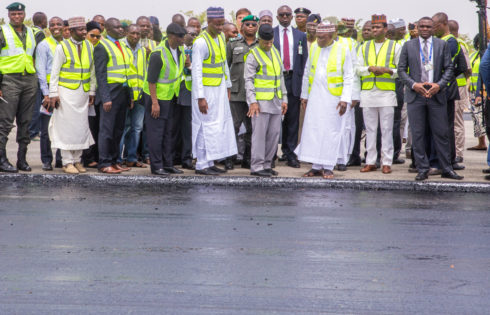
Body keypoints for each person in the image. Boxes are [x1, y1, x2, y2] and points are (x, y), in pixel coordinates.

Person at [398, 16, 463, 181]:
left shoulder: (441, 45)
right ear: (418, 28)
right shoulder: (408, 45)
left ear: (433, 28)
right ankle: (422, 169)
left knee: (441, 134)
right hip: (416, 95)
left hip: (436, 95)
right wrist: (414, 85)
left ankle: (447, 168)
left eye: (428, 26)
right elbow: (401, 70)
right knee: (418, 135)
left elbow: (449, 68)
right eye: (422, 26)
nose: (425, 29)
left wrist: (439, 85)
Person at [296, 22, 353, 179]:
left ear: (332, 36)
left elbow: (349, 76)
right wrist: (304, 96)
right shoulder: (314, 46)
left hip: (333, 97)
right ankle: (315, 166)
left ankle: (328, 166)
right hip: (315, 96)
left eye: (322, 38)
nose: (318, 40)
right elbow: (307, 72)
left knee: (330, 131)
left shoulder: (343, 49)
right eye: (317, 37)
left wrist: (345, 99)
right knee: (313, 130)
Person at [191, 7, 237, 175]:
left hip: (218, 89)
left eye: (221, 24)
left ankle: (210, 161)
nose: (220, 28)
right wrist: (200, 97)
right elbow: (196, 72)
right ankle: (201, 164)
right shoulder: (200, 42)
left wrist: (228, 86)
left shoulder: (219, 40)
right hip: (206, 91)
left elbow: (223, 64)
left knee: (216, 126)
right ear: (208, 22)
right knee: (205, 126)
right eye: (217, 24)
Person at [48, 16, 96, 174]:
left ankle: (78, 160)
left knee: (81, 128)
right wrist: (53, 93)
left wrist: (92, 91)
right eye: (81, 30)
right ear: (72, 31)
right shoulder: (62, 47)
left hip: (82, 93)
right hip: (66, 93)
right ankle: (67, 162)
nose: (84, 32)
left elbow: (92, 71)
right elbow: (54, 72)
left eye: (85, 29)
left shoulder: (89, 46)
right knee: (66, 129)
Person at [356, 14, 400, 175]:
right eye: (373, 27)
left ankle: (386, 162)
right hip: (368, 92)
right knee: (370, 130)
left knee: (387, 129)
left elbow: (400, 71)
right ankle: (370, 161)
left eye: (378, 27)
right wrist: (369, 69)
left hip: (386, 93)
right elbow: (357, 68)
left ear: (385, 29)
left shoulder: (395, 46)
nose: (374, 30)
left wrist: (387, 71)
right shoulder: (363, 47)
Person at [143, 23, 187, 176]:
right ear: (171, 36)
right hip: (156, 98)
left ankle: (168, 164)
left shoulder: (180, 51)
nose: (183, 39)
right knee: (156, 133)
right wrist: (154, 103)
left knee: (169, 132)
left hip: (171, 97)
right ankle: (156, 166)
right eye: (181, 36)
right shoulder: (158, 54)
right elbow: (151, 81)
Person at [245, 23, 287, 177]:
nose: (268, 45)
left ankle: (267, 164)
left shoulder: (275, 52)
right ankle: (257, 167)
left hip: (276, 100)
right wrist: (252, 102)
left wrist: (285, 99)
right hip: (260, 102)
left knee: (273, 135)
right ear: (259, 39)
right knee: (259, 135)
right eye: (265, 42)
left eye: (270, 42)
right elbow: (248, 80)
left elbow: (280, 77)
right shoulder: (253, 55)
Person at [0, 2, 38, 173]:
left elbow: (33, 56)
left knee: (25, 122)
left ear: (24, 15)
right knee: (5, 122)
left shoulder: (31, 32)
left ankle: (22, 159)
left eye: (19, 14)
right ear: (9, 16)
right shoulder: (3, 32)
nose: (16, 17)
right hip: (9, 80)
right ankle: (1, 159)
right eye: (13, 14)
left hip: (29, 79)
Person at [94, 17, 134, 174]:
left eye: (121, 27)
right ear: (108, 30)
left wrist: (130, 95)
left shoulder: (122, 45)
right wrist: (105, 98)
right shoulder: (101, 46)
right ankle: (104, 163)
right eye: (117, 27)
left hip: (123, 92)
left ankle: (115, 160)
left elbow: (127, 72)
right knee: (107, 130)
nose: (121, 30)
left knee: (118, 130)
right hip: (110, 92)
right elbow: (100, 74)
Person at [274, 5, 308, 168]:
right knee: (274, 119)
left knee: (292, 120)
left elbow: (304, 61)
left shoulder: (300, 35)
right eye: (282, 15)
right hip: (275, 82)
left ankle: (290, 153)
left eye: (288, 14)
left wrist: (304, 87)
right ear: (277, 17)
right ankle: (271, 153)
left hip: (293, 79)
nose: (285, 17)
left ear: (292, 17)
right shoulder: (270, 34)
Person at [432, 12, 466, 172]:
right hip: (442, 89)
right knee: (444, 127)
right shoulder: (440, 41)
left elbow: (457, 67)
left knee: (445, 127)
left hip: (445, 90)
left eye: (435, 26)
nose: (432, 29)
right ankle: (448, 161)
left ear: (444, 24)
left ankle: (447, 162)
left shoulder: (450, 42)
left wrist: (446, 80)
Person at [227, 15, 259, 170]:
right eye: (248, 24)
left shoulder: (262, 45)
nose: (251, 26)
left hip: (254, 94)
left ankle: (247, 158)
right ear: (242, 27)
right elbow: (226, 68)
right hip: (236, 93)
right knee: (233, 126)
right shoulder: (233, 44)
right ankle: (229, 158)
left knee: (252, 128)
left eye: (254, 24)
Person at [35, 16, 63, 171]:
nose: (56, 27)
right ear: (49, 28)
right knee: (46, 129)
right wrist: (46, 94)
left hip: (63, 92)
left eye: (59, 24)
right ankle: (46, 160)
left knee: (62, 127)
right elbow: (40, 71)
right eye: (52, 25)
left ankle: (60, 159)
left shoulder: (66, 45)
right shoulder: (44, 45)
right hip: (48, 93)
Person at [118, 24, 147, 168]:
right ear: (126, 33)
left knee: (137, 128)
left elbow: (144, 72)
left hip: (140, 95)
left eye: (138, 34)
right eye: (132, 33)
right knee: (123, 128)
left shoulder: (142, 50)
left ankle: (131, 158)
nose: (135, 36)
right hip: (125, 95)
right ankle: (118, 160)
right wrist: (128, 93)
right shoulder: (120, 47)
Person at [347, 20, 373, 167]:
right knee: (356, 126)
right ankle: (354, 155)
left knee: (372, 127)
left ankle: (371, 157)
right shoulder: (357, 47)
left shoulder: (377, 48)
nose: (366, 32)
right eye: (364, 30)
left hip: (373, 91)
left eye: (369, 29)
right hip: (358, 92)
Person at [172, 26, 197, 170]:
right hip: (174, 92)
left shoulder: (197, 49)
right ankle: (174, 156)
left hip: (188, 92)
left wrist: (190, 65)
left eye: (195, 34)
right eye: (190, 33)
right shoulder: (176, 48)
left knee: (187, 129)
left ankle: (186, 158)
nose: (192, 36)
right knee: (173, 127)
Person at [448, 19, 471, 163]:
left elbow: (467, 69)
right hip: (453, 86)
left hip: (458, 86)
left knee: (457, 121)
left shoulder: (459, 45)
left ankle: (458, 153)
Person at [81, 21, 102, 168]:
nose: (95, 39)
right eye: (92, 35)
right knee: (83, 126)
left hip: (93, 94)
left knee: (93, 127)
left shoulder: (98, 48)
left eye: (98, 36)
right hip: (80, 92)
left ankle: (91, 156)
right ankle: (86, 158)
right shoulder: (82, 47)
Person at [28, 11, 48, 141]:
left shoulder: (30, 31)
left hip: (28, 69)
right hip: (35, 71)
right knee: (36, 104)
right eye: (46, 20)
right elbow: (38, 53)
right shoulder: (40, 33)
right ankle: (33, 131)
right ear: (42, 21)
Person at [468, 35, 487, 151]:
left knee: (483, 118)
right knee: (477, 118)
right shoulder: (474, 55)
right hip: (474, 90)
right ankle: (481, 142)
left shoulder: (485, 56)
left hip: (483, 92)